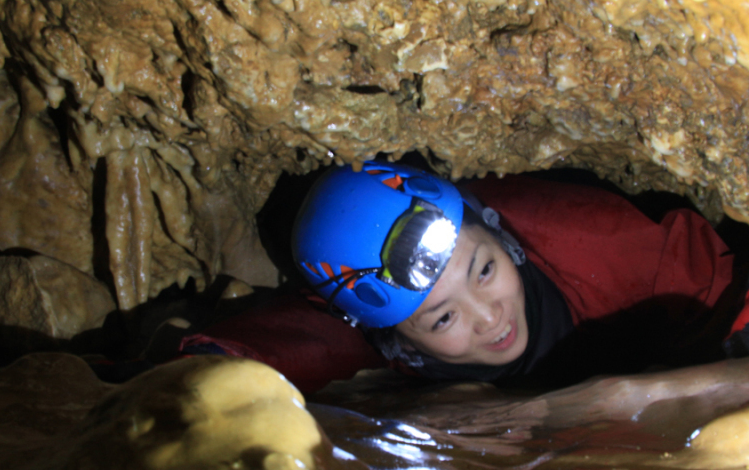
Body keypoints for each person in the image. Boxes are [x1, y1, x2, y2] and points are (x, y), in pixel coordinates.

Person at [175, 160, 747, 394]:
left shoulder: (585, 236)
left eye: (484, 269)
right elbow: (289, 342)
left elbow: (710, 277)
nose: (489, 314)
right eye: (443, 316)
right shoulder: (369, 326)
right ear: (396, 337)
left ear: (499, 234)